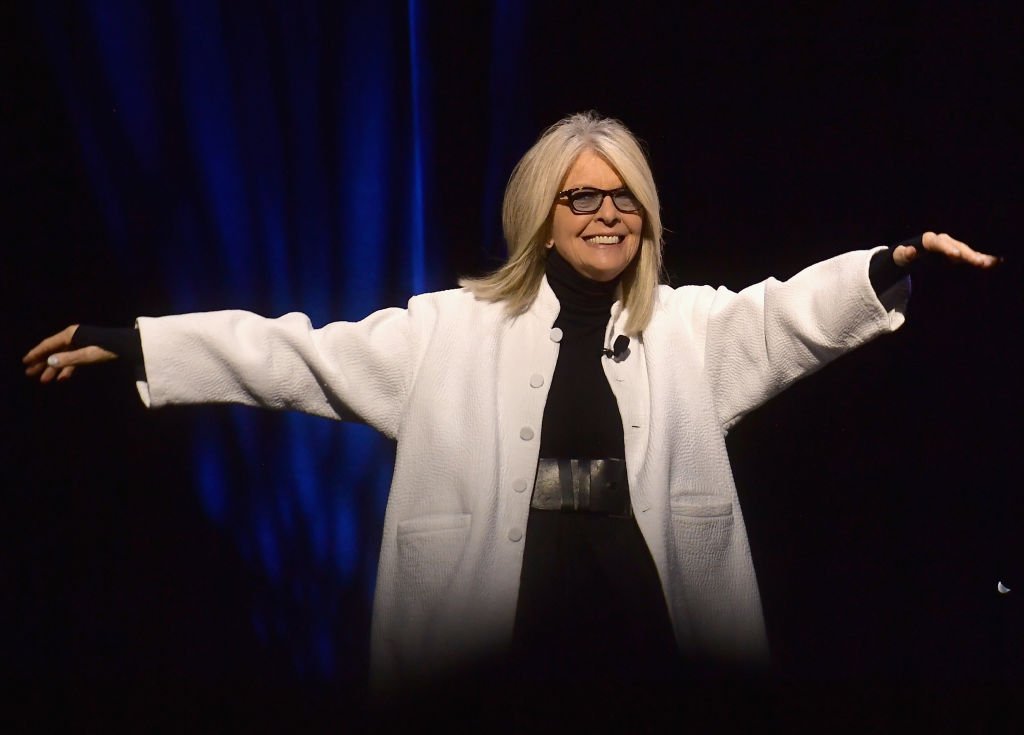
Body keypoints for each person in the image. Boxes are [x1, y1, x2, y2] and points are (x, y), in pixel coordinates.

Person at [23, 112, 998, 703]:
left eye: (624, 199)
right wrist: (139, 341)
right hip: (499, 622)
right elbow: (294, 354)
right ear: (541, 213)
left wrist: (890, 266)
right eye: (582, 198)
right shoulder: (447, 329)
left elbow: (790, 313)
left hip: (648, 612)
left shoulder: (693, 329)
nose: (607, 213)